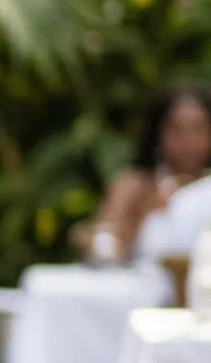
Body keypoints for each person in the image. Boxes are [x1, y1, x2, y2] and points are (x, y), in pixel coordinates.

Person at [78, 82, 211, 263]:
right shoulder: (135, 186)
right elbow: (101, 243)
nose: (189, 141)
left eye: (199, 129)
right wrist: (142, 220)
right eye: (176, 129)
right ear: (157, 133)